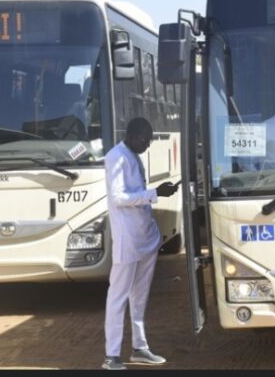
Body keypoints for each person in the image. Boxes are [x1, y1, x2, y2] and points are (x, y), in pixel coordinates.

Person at [102, 117, 179, 371]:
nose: (147, 145)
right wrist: (155, 193)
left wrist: (159, 192)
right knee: (118, 296)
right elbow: (118, 197)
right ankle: (112, 355)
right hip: (128, 240)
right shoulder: (117, 157)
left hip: (145, 238)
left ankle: (139, 348)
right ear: (132, 135)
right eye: (144, 140)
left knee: (140, 297)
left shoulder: (134, 155)